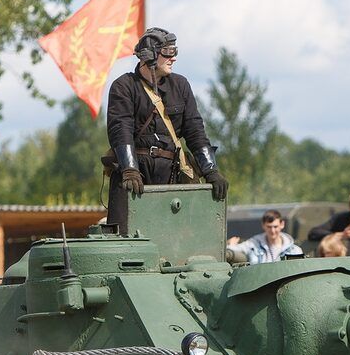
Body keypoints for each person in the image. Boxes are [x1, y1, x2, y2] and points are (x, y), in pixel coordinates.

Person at [104, 27, 227, 232]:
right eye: (168, 52)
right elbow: (120, 130)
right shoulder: (124, 86)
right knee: (124, 236)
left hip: (172, 174)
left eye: (174, 52)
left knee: (178, 236)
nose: (173, 58)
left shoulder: (180, 85)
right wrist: (130, 170)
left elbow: (195, 130)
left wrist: (211, 170)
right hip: (134, 176)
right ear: (150, 55)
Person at [231, 211, 302, 264]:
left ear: (282, 224)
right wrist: (231, 245)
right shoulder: (254, 244)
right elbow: (231, 251)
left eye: (275, 227)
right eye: (269, 227)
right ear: (263, 225)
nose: (272, 231)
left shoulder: (294, 251)